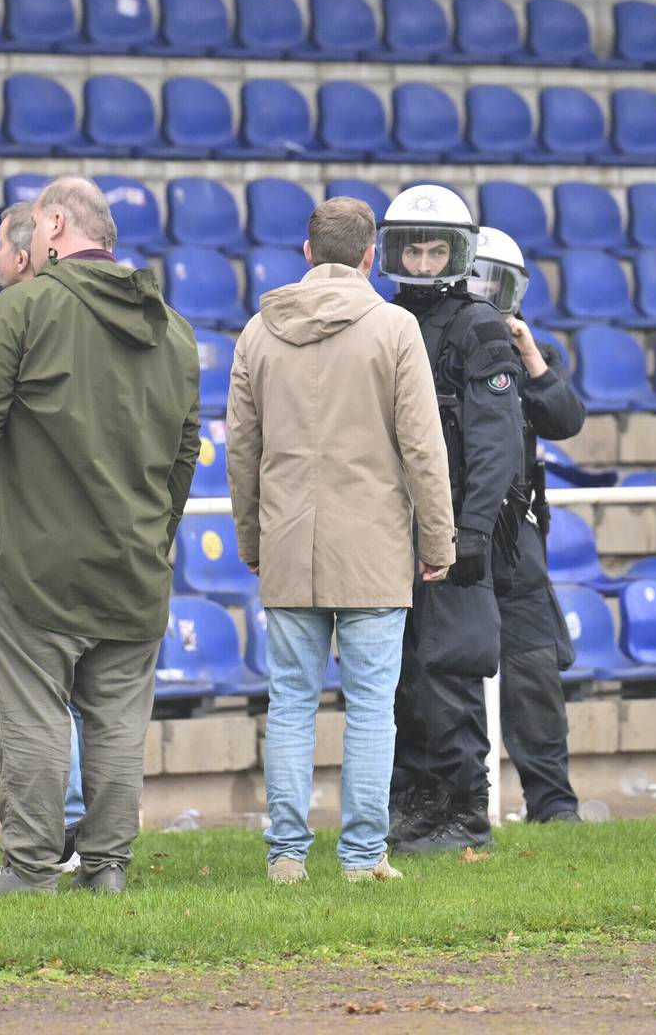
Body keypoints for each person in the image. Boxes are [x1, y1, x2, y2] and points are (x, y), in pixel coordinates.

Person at [0, 176, 200, 896]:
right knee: (119, 720)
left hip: (35, 562)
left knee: (33, 711)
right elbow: (186, 448)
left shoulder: (22, 309)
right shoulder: (174, 326)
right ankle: (108, 867)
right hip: (135, 561)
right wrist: (157, 532)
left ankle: (29, 868)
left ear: (54, 224)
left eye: (25, 227)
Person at [226, 196, 456, 885]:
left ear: (306, 253)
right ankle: (362, 857)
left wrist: (251, 536)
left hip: (290, 540)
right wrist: (438, 540)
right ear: (367, 257)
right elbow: (423, 445)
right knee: (370, 709)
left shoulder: (258, 332)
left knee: (291, 703)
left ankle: (286, 857)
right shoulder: (394, 328)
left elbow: (242, 449)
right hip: (374, 547)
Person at [380, 186, 524, 855]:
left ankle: (466, 815)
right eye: (415, 245)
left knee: (450, 673)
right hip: (390, 529)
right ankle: (413, 808)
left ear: (458, 254)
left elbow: (497, 441)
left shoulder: (478, 326)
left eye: (439, 248)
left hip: (455, 529)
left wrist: (470, 531)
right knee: (404, 677)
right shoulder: (382, 320)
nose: (425, 259)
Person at [0, 196, 89, 870]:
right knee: (63, 691)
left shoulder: (18, 320)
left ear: (24, 253)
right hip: (85, 525)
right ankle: (76, 829)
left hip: (33, 530)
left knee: (37, 690)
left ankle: (65, 828)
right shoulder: (72, 318)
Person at [467, 227, 586, 824]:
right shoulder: (430, 340)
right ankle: (452, 803)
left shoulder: (533, 354)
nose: (487, 293)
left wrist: (532, 357)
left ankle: (553, 804)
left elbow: (565, 420)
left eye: (499, 282)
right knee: (446, 668)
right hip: (449, 526)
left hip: (517, 535)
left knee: (535, 667)